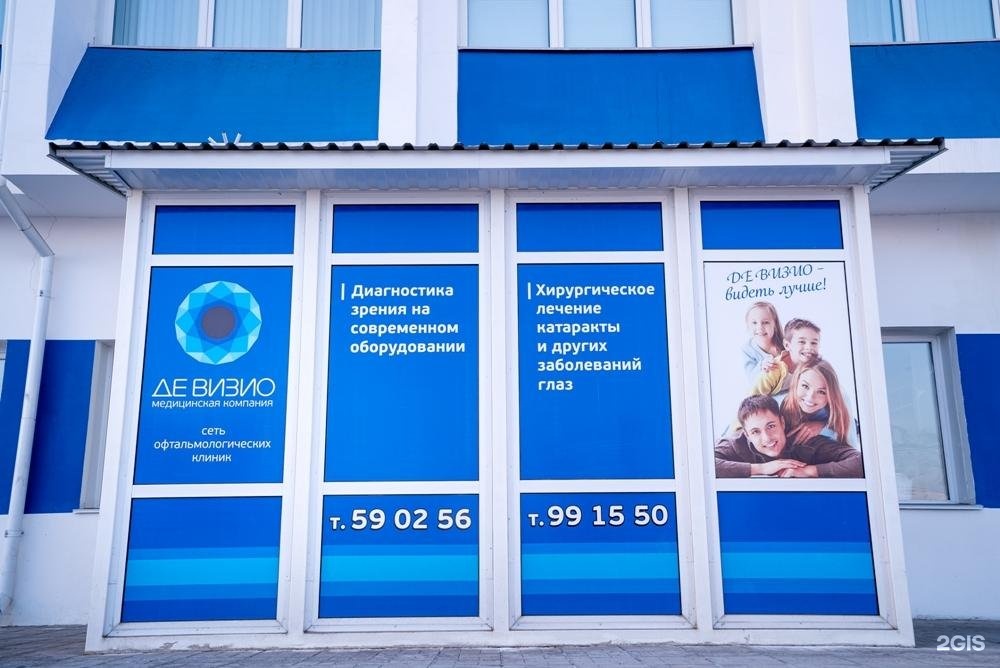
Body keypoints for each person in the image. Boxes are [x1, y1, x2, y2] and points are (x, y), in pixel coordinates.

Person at [715, 395, 862, 478]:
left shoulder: (805, 442)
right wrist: (762, 468)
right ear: (747, 435)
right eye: (755, 432)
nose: (767, 438)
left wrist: (807, 471)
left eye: (771, 426)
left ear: (782, 423)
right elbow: (705, 466)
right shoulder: (736, 444)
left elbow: (860, 462)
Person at [781, 358, 855, 447]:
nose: (810, 397)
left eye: (821, 392)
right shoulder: (782, 405)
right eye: (805, 386)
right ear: (796, 383)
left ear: (830, 396)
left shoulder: (840, 406)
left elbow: (850, 444)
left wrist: (823, 427)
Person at [741, 301, 787, 394]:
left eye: (765, 322)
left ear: (775, 325)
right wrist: (761, 366)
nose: (760, 327)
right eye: (754, 323)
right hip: (766, 396)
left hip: (789, 391)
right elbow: (751, 379)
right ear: (748, 325)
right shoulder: (747, 350)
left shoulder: (785, 343)